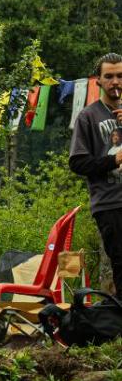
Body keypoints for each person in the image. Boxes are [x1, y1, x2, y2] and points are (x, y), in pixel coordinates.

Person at [69, 51, 122, 298]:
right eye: (109, 76)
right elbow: (78, 163)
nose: (115, 82)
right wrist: (113, 160)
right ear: (98, 80)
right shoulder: (88, 117)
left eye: (120, 76)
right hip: (110, 202)